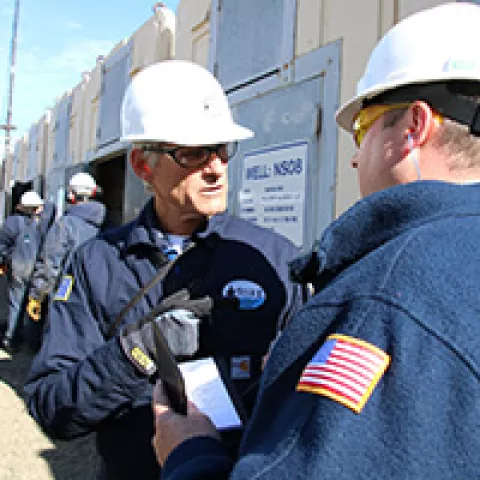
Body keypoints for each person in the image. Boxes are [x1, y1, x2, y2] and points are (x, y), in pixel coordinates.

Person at [151, 3, 480, 479]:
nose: (354, 160)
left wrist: (191, 456)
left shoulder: (383, 299)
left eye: (363, 129)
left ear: (414, 126)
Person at [23, 60, 302, 480]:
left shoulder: (273, 259)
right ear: (142, 166)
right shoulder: (97, 263)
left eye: (222, 148)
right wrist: (134, 353)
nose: (216, 168)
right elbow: (53, 408)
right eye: (192, 153)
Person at [24, 172, 107, 351]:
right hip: (95, 296)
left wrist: (37, 295)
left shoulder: (65, 225)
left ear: (71, 195)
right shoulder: (106, 223)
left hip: (65, 292)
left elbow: (50, 264)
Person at [0, 191, 55, 353]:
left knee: (16, 303)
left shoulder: (12, 222)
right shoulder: (45, 223)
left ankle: (11, 339)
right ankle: (33, 343)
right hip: (39, 268)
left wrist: (7, 259)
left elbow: (2, 245)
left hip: (18, 267)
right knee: (36, 304)